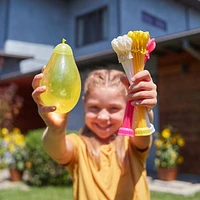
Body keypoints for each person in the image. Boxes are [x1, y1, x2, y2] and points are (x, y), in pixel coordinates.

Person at [32, 68, 157, 200]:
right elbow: (55, 149)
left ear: (128, 107)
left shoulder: (131, 142)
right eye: (94, 107)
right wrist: (55, 130)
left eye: (114, 108)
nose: (103, 117)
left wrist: (143, 108)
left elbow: (142, 129)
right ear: (84, 103)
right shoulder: (79, 146)